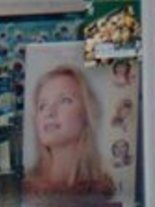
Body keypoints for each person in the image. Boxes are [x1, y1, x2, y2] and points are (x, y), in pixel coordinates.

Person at [24, 66, 116, 205]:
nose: (49, 112)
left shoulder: (103, 191)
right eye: (42, 105)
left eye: (64, 100)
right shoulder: (23, 189)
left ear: (87, 113)